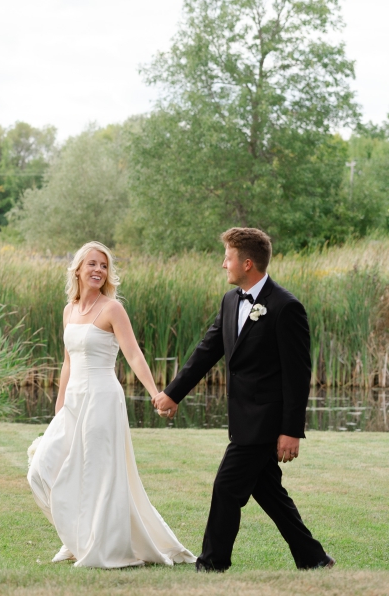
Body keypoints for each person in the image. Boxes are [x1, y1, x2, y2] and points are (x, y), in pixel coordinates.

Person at [153, 227, 333, 572]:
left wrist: (291, 431)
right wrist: (173, 393)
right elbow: (207, 351)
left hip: (265, 421)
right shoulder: (231, 300)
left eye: (228, 258)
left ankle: (211, 564)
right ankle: (314, 558)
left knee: (226, 487)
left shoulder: (285, 307)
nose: (224, 264)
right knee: (269, 493)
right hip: (242, 417)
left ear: (247, 263)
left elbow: (298, 376)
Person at [27, 241, 196, 568]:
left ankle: (103, 548)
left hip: (102, 399)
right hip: (73, 402)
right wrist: (59, 409)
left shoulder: (112, 309)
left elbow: (133, 354)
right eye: (91, 264)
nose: (98, 270)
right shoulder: (69, 310)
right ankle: (77, 539)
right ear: (78, 269)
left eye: (103, 266)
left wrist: (155, 392)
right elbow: (67, 362)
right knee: (41, 472)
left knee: (97, 476)